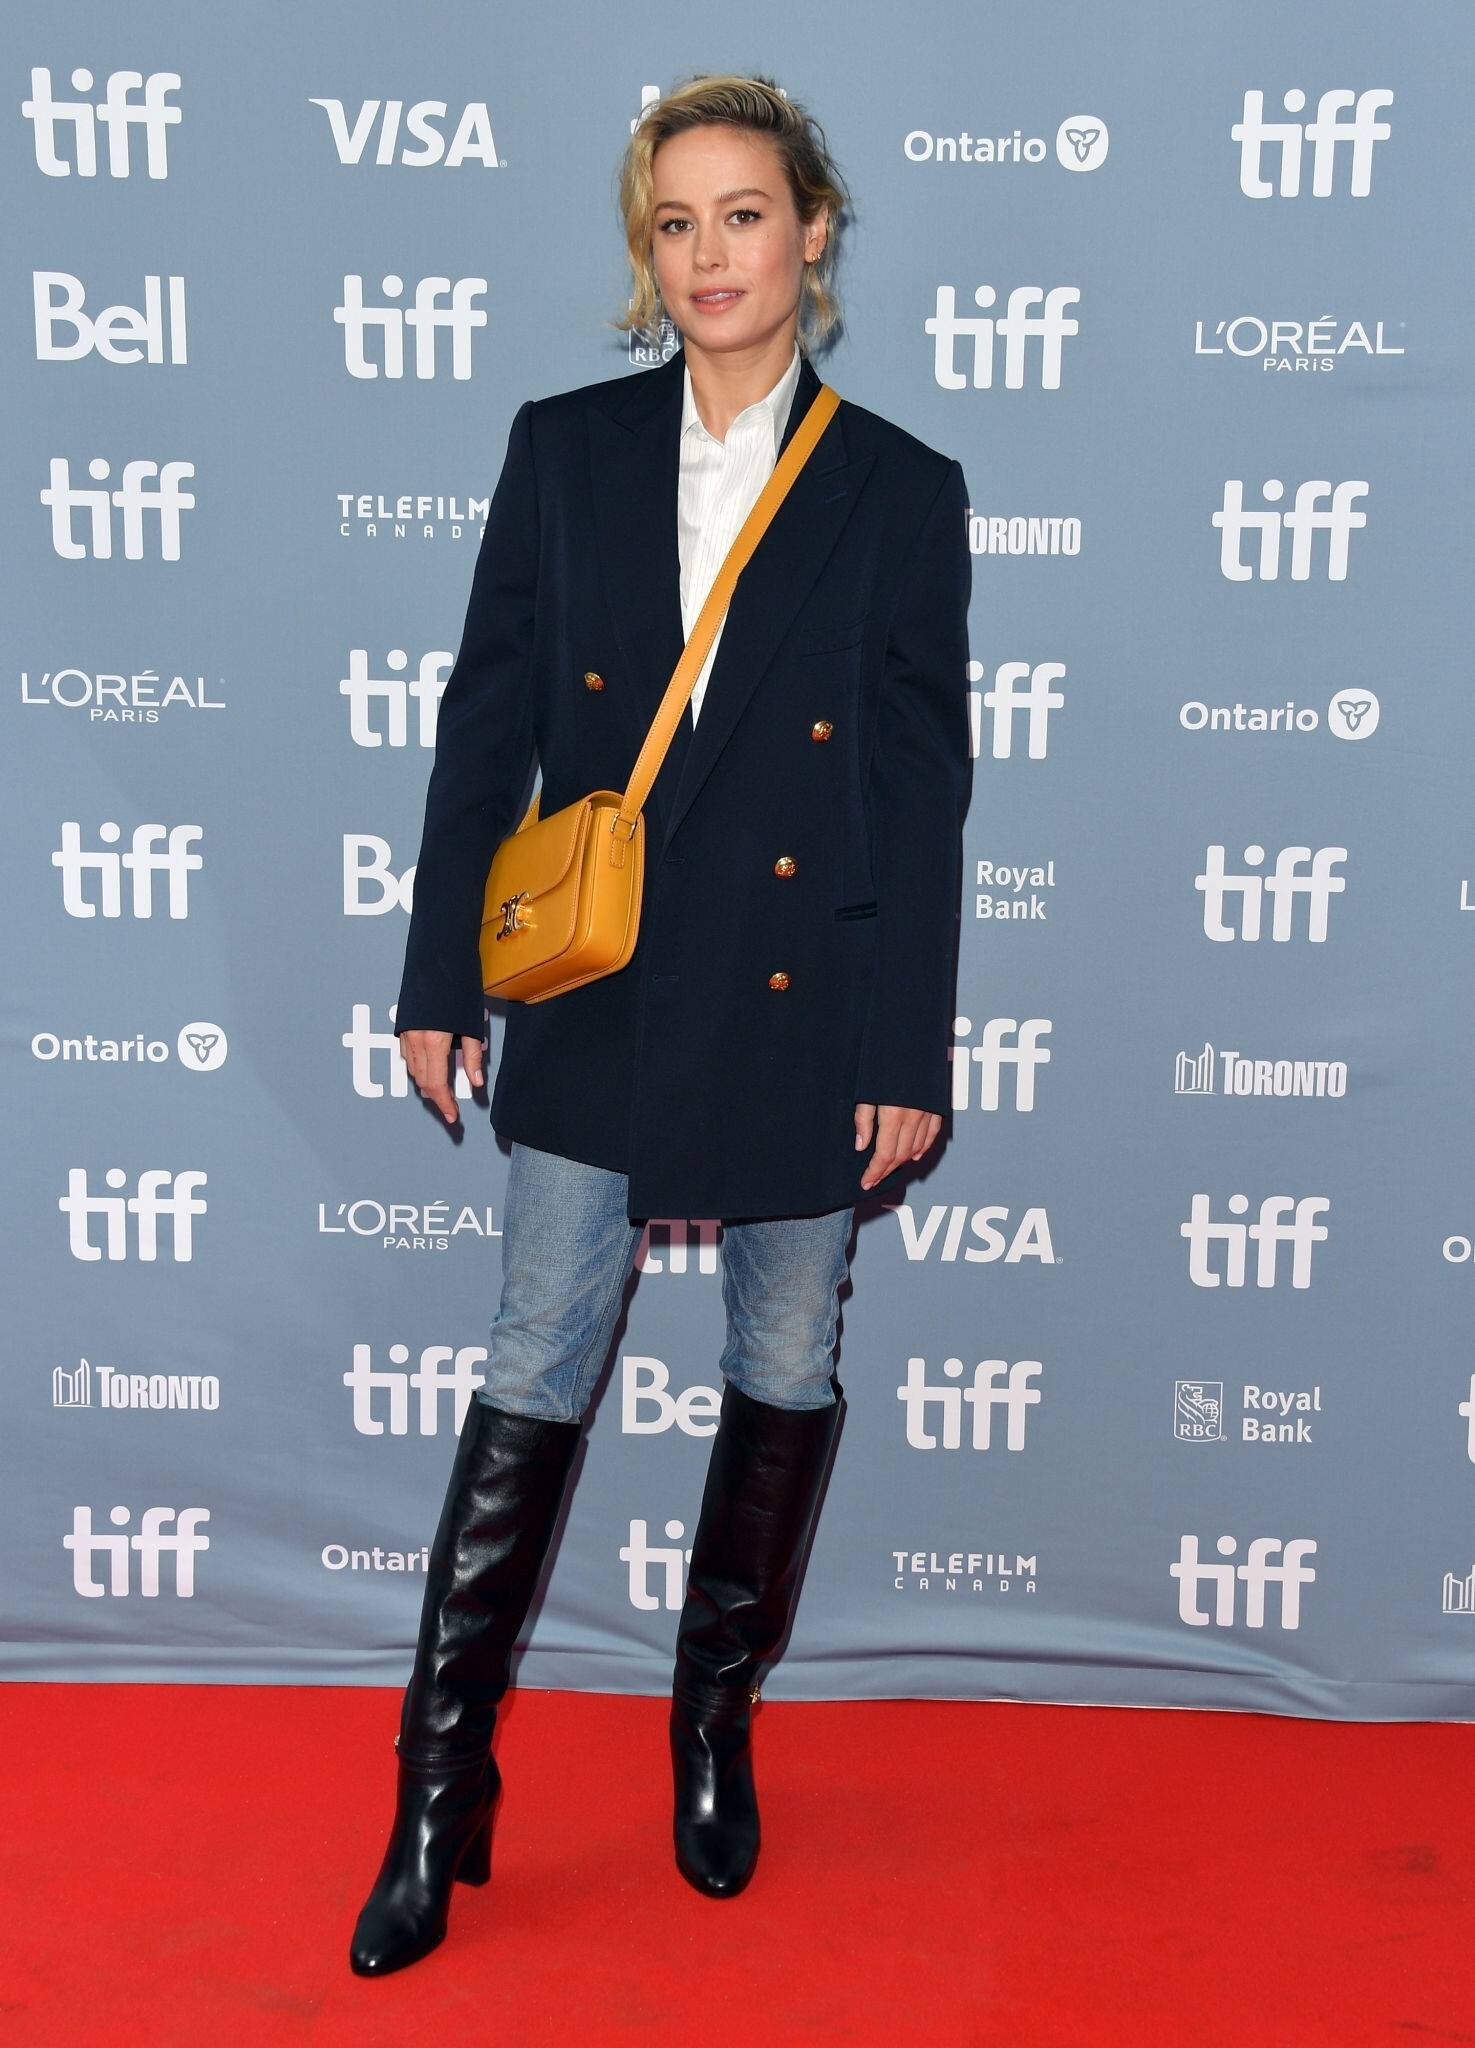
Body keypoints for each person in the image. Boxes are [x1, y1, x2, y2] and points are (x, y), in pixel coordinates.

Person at [349, 73, 970, 1977]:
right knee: (537, 1354)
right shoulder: (564, 448)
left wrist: (907, 1047)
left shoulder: (899, 488)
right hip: (605, 984)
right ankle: (438, 1791)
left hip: (804, 995)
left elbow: (921, 794)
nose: (712, 256)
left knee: (785, 1348)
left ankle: (713, 1723)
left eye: (745, 216)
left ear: (814, 233)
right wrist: (439, 977)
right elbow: (483, 725)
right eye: (677, 222)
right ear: (649, 249)